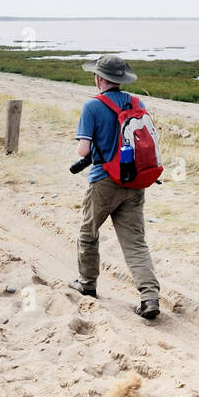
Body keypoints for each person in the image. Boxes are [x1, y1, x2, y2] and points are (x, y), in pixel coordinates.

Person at [70, 55, 160, 319]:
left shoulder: (92, 106)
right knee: (135, 242)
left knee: (88, 232)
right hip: (135, 180)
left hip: (104, 181)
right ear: (121, 80)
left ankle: (87, 284)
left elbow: (83, 149)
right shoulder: (136, 102)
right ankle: (149, 296)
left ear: (99, 79)